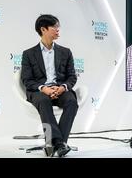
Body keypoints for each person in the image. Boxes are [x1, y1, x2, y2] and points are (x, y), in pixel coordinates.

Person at [21, 14, 78, 157]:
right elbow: (27, 80)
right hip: (39, 91)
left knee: (72, 102)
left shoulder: (66, 52)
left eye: (58, 27)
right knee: (43, 100)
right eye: (55, 27)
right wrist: (44, 88)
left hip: (60, 89)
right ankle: (60, 144)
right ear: (43, 29)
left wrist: (63, 87)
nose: (58, 30)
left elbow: (72, 76)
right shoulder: (28, 54)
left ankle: (57, 144)